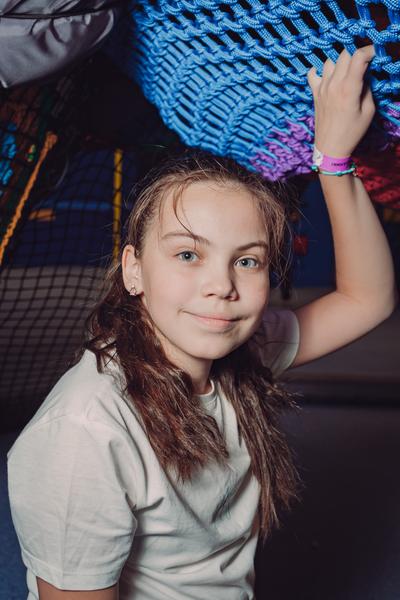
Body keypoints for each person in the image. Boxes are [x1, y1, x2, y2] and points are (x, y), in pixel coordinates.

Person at [7, 46, 397, 600]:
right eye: (188, 254)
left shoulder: (242, 351)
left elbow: (367, 299)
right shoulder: (84, 433)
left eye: (248, 261)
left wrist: (333, 159)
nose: (222, 285)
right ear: (134, 270)